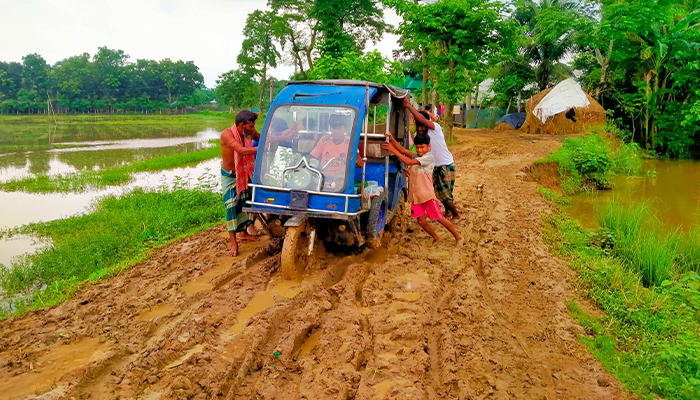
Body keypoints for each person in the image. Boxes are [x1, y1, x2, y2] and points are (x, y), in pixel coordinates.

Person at [382, 134, 462, 245]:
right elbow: (404, 151)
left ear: (428, 146)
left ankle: (458, 236)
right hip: (416, 195)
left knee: (439, 218)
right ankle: (436, 238)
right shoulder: (418, 156)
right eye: (417, 147)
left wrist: (392, 149)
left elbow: (409, 162)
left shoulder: (428, 157)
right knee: (421, 221)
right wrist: (392, 139)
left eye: (422, 147)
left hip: (426, 195)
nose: (419, 150)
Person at [401, 97, 461, 220]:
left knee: (444, 193)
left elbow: (422, 118)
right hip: (431, 166)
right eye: (418, 124)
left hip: (444, 164)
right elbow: (416, 154)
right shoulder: (419, 135)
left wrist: (409, 106)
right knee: (435, 192)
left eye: (422, 123)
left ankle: (456, 214)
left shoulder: (435, 128)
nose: (420, 126)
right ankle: (449, 212)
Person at [221, 110, 261, 257]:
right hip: (230, 176)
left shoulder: (248, 132)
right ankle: (233, 244)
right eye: (250, 126)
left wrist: (280, 139)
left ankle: (243, 234)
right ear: (242, 125)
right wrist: (263, 149)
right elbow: (242, 150)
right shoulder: (227, 134)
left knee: (246, 201)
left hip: (244, 171)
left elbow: (262, 138)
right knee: (231, 205)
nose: (252, 129)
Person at [310, 115, 363, 190]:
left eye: (340, 128)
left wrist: (358, 160)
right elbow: (312, 156)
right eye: (334, 128)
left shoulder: (350, 142)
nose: (336, 131)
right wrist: (299, 162)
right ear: (331, 129)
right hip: (324, 177)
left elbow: (357, 157)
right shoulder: (324, 140)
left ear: (345, 129)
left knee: (338, 187)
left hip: (342, 177)